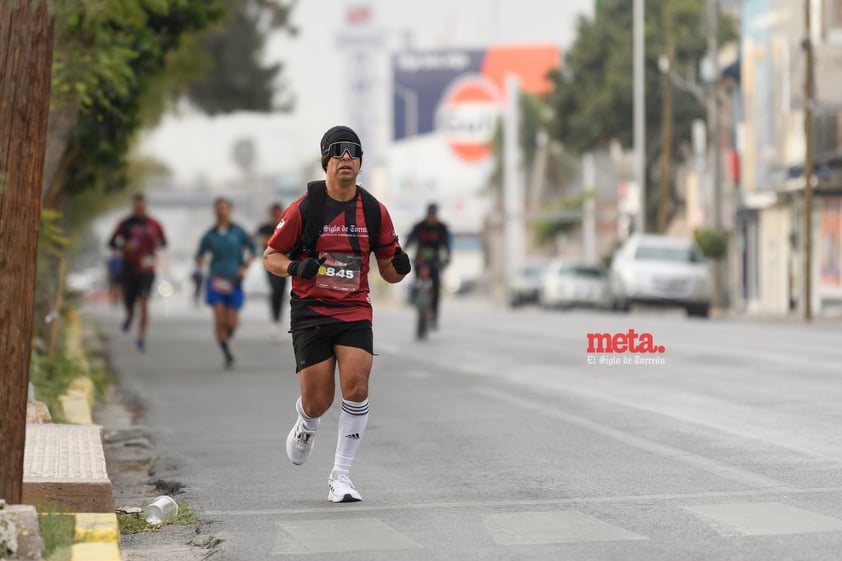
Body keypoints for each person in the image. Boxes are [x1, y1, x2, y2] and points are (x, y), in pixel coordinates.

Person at [263, 125, 411, 503]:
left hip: (354, 310)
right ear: (326, 161)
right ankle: (306, 423)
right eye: (338, 151)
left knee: (357, 386)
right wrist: (295, 269)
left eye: (354, 152)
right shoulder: (305, 208)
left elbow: (390, 273)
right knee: (318, 401)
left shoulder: (375, 211)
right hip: (311, 311)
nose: (346, 158)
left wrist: (401, 266)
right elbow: (271, 256)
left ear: (360, 163)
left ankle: (340, 476)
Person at [195, 197, 258, 369]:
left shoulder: (238, 232)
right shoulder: (209, 235)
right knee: (218, 316)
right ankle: (226, 352)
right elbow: (200, 255)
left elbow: (254, 250)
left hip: (234, 281)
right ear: (214, 211)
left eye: (224, 208)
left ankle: (226, 338)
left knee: (231, 323)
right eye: (218, 208)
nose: (221, 211)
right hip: (216, 280)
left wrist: (244, 267)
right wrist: (199, 261)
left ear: (229, 211)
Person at [108, 193, 167, 351]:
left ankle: (141, 337)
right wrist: (124, 246)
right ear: (133, 206)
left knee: (144, 301)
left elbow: (164, 243)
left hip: (147, 269)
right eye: (136, 206)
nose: (139, 208)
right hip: (129, 267)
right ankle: (129, 314)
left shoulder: (154, 224)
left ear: (145, 206)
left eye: (142, 205)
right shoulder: (125, 223)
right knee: (129, 301)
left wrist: (158, 243)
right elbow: (111, 242)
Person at [405, 202, 451, 329]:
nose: (432, 217)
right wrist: (403, 251)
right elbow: (410, 239)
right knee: (416, 282)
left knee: (436, 287)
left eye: (434, 215)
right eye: (430, 215)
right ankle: (415, 299)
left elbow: (446, 245)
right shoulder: (419, 226)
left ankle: (434, 315)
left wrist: (447, 257)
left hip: (435, 262)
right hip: (420, 260)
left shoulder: (441, 228)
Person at [256, 203, 288, 336]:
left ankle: (277, 320)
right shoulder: (264, 228)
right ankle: (275, 320)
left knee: (280, 291)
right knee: (275, 289)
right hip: (269, 263)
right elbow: (258, 243)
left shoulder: (287, 227)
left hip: (284, 263)